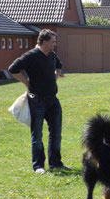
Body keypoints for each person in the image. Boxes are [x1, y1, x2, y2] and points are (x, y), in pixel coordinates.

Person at [8, 29, 67, 174]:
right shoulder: (31, 56)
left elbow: (59, 65)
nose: (55, 43)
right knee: (37, 134)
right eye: (53, 41)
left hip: (53, 100)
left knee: (56, 133)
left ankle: (56, 163)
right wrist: (27, 83)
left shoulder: (52, 55)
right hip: (37, 100)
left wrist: (56, 76)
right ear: (45, 41)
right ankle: (38, 166)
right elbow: (12, 68)